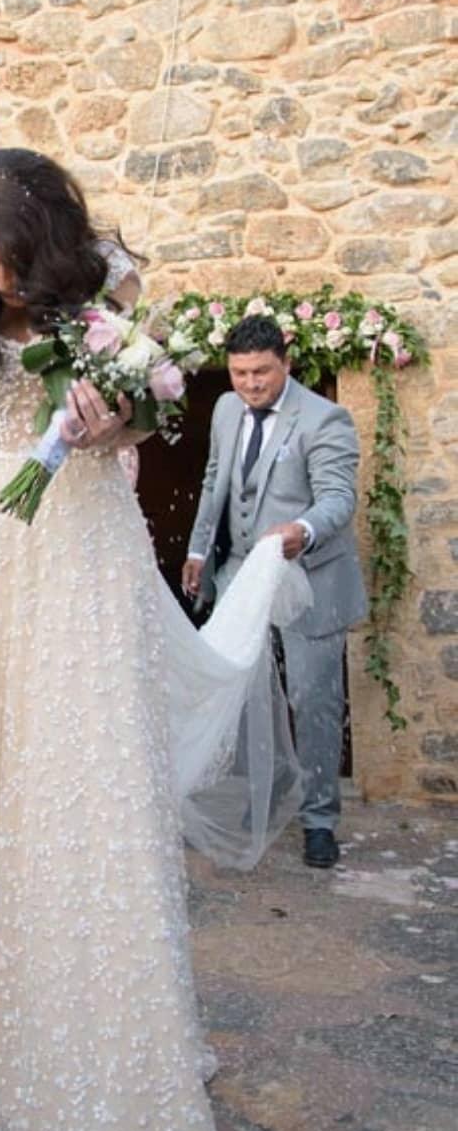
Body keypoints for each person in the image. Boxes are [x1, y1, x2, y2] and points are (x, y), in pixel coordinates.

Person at [0, 149, 308, 1131]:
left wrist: (118, 423)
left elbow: (148, 424)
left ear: (49, 239)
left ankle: (99, 1032)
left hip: (85, 547)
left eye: (7, 260)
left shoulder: (111, 285)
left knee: (84, 778)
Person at [182, 314, 367, 870]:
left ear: (285, 362)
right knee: (242, 688)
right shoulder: (224, 408)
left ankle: (319, 819)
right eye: (239, 373)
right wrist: (198, 550)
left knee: (313, 700)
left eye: (261, 372)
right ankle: (272, 784)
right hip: (243, 574)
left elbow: (338, 498)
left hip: (311, 577)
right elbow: (215, 479)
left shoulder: (325, 418)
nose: (250, 384)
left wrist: (301, 530)